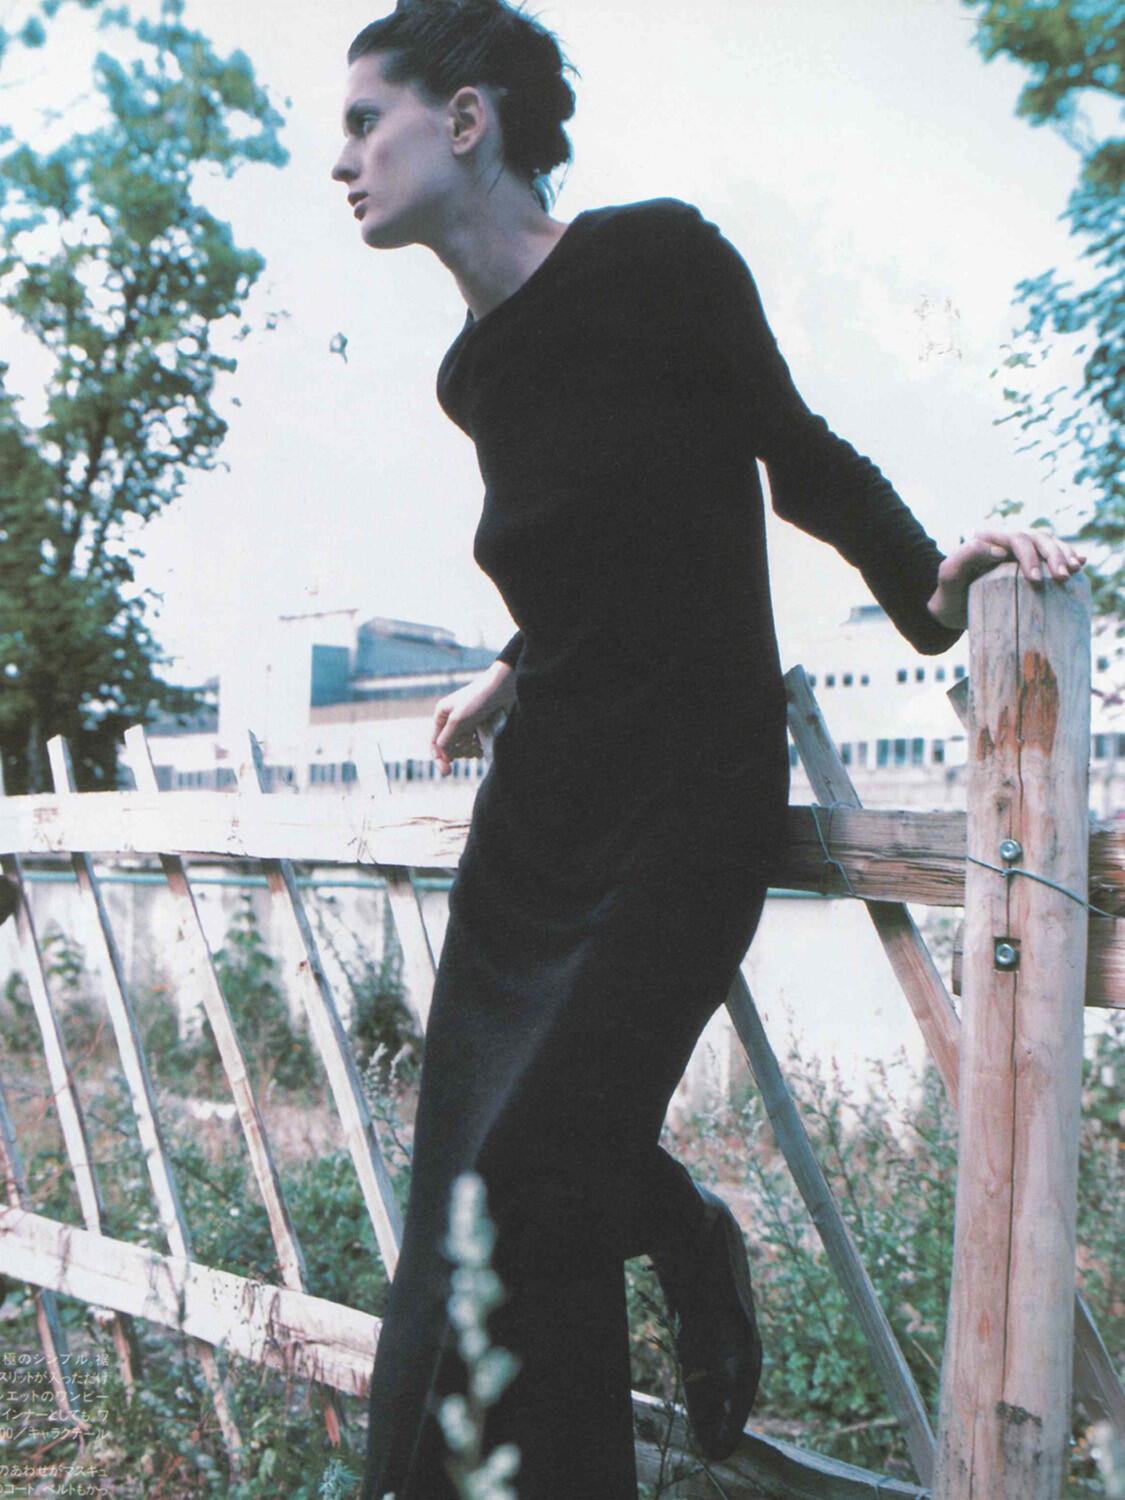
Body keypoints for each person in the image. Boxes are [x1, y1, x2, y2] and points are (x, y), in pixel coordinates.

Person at [330, 4, 1084, 1496]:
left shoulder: (659, 259)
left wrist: (932, 581)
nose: (340, 160)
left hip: (686, 796)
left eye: (365, 121)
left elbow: (792, 453)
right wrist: (508, 672)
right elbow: (600, 553)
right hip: (540, 813)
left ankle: (683, 1230)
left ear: (466, 121)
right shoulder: (472, 372)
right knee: (461, 1214)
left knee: (525, 1171)